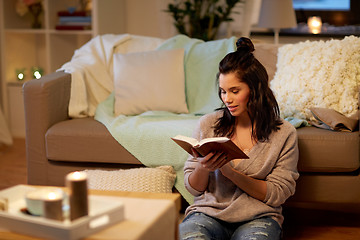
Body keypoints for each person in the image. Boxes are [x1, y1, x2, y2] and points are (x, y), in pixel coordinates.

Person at [179, 37, 299, 240]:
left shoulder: (284, 133)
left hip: (259, 218)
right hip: (207, 214)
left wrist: (231, 173)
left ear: (256, 90)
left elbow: (278, 193)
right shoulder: (208, 125)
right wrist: (202, 167)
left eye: (235, 91)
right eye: (223, 91)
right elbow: (193, 188)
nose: (227, 99)